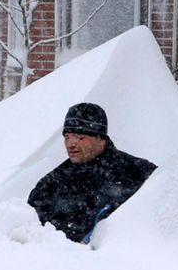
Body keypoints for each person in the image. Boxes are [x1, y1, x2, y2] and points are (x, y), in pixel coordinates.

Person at [28, 102, 156, 243]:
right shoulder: (51, 184)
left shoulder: (138, 173)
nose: (70, 144)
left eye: (78, 137)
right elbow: (29, 230)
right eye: (67, 137)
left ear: (100, 138)